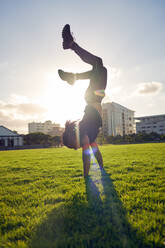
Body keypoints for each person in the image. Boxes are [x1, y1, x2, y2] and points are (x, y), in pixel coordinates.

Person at [58, 24, 107, 177]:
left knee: (98, 63)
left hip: (93, 97)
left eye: (73, 146)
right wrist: (102, 170)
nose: (76, 148)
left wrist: (86, 176)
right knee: (99, 69)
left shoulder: (84, 135)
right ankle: (72, 77)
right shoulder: (89, 137)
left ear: (74, 140)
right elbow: (96, 153)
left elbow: (86, 158)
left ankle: (71, 45)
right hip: (94, 97)